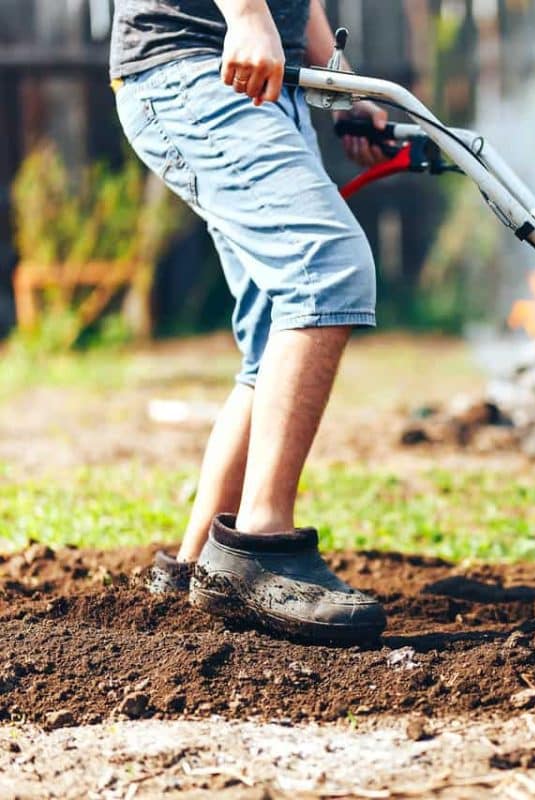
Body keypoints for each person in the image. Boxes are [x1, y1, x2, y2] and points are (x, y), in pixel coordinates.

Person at [110, 0, 391, 643]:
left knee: (276, 328)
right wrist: (244, 14)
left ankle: (192, 569)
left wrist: (341, 81)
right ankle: (258, 548)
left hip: (261, 74)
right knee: (326, 269)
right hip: (200, 64)